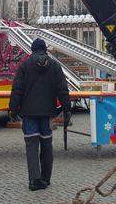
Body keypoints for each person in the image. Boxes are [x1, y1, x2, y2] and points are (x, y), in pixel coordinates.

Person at [9, 38, 70, 191]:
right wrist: (67, 109)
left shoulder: (25, 65)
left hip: (29, 113)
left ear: (32, 49)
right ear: (45, 50)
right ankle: (46, 178)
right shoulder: (55, 66)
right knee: (47, 145)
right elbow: (62, 89)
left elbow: (17, 89)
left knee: (31, 145)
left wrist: (13, 109)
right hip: (47, 112)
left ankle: (34, 180)